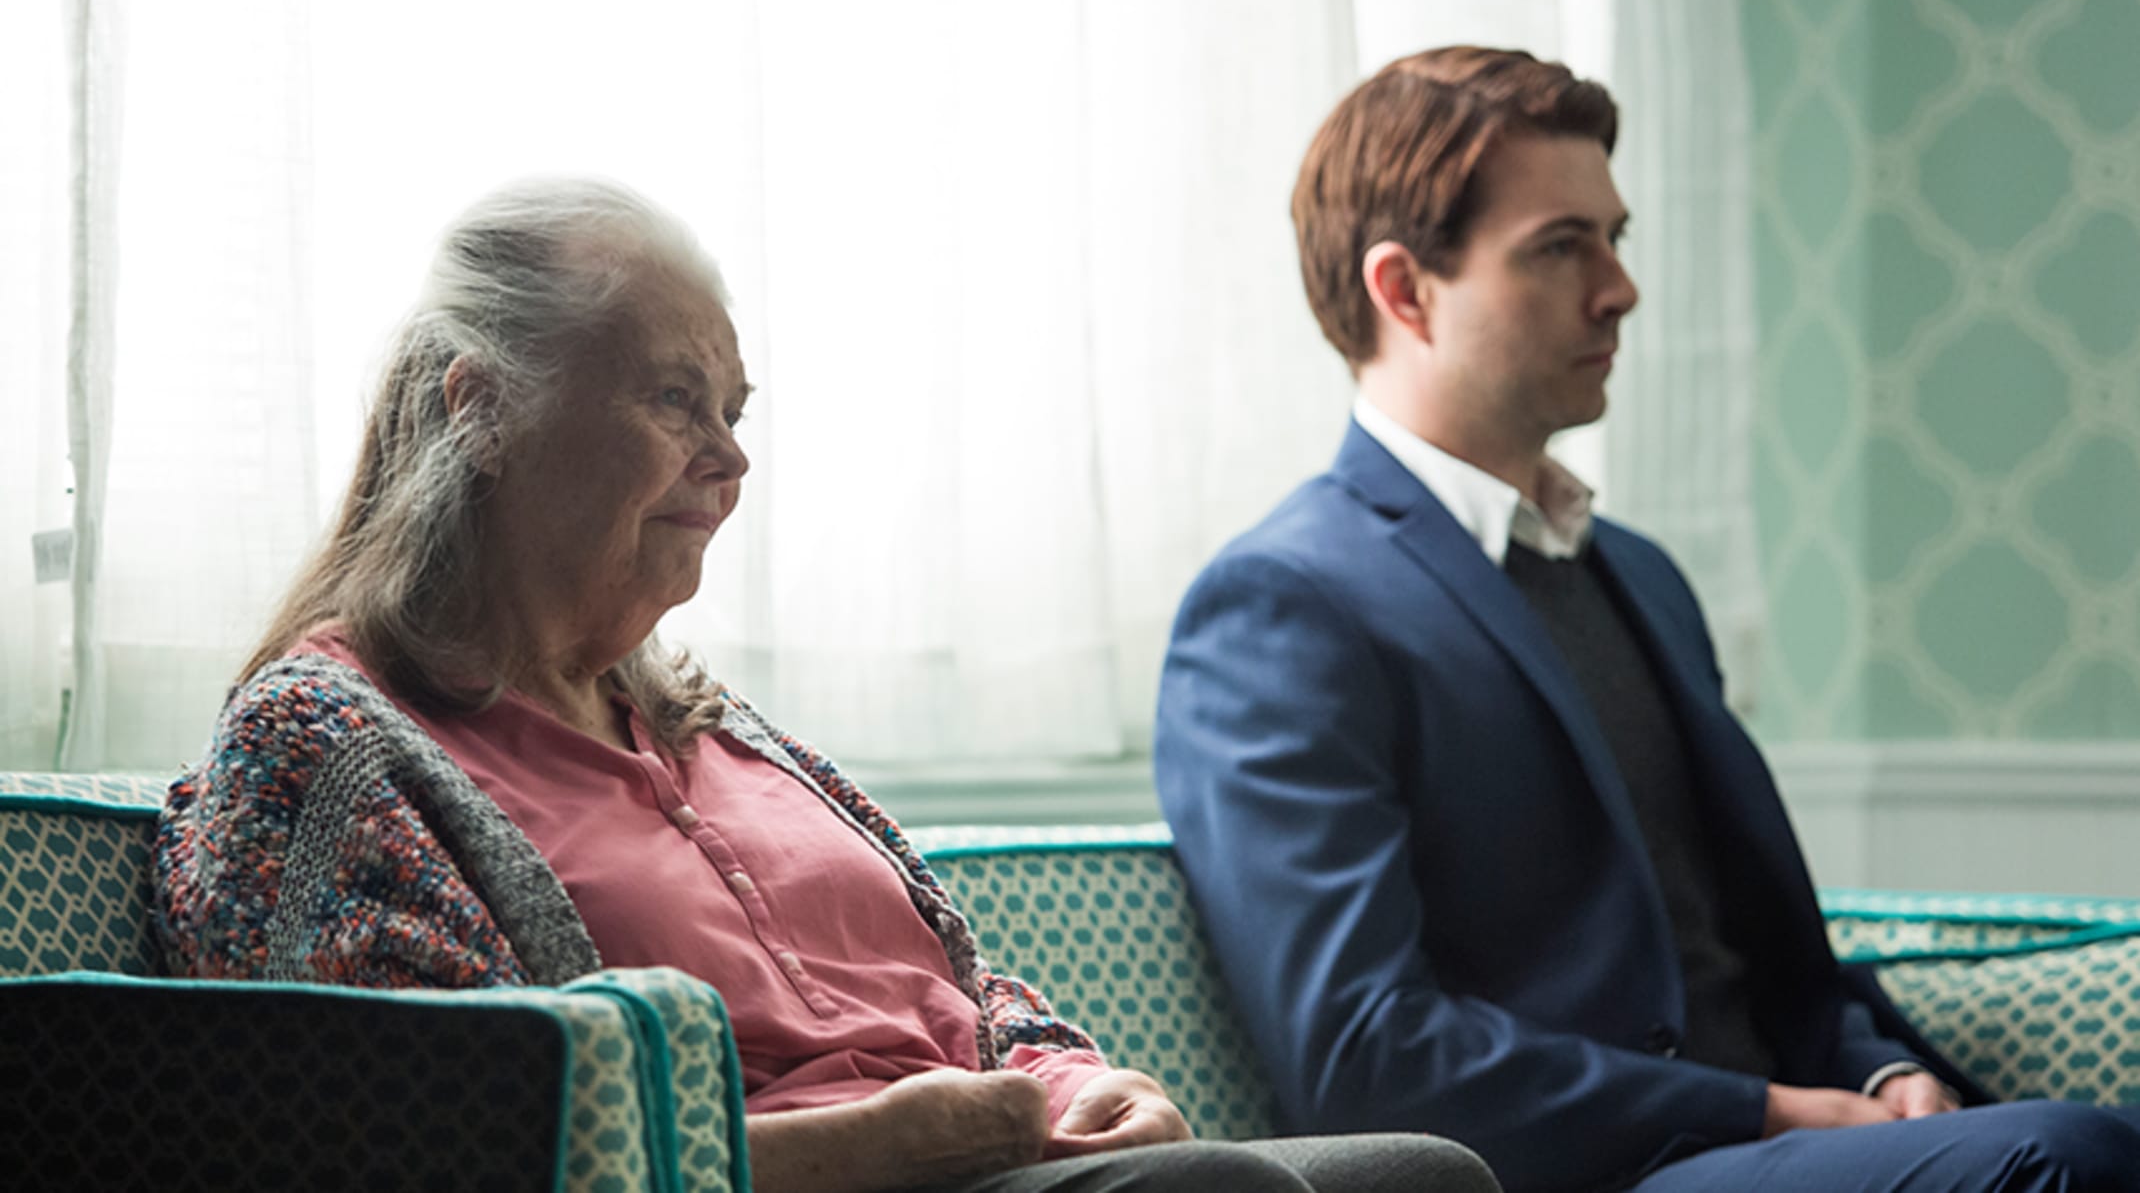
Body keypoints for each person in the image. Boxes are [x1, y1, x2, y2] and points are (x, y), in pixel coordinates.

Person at [151, 178, 1498, 1193]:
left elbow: (979, 994)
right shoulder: (325, 737)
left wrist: (1075, 1078)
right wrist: (887, 1143)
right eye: (676, 401)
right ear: (482, 409)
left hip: (995, 1163)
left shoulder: (724, 729)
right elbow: (447, 1139)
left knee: (1427, 1176)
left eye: (738, 412)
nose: (729, 462)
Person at [1151, 46, 2140, 1193]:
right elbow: (1360, 1055)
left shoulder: (1639, 577)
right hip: (1575, 1177)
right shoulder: (1282, 604)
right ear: (1402, 289)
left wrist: (1874, 1077)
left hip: (1761, 1153)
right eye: (1561, 247)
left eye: (1615, 239)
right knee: (2061, 1158)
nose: (1618, 287)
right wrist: (1770, 1108)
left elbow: (1769, 967)